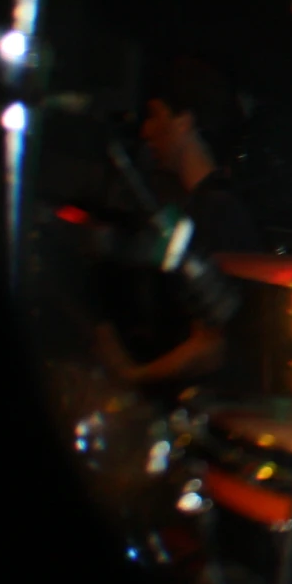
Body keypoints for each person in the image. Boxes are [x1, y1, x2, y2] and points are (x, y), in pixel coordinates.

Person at [91, 54, 262, 387]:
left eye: (156, 116)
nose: (146, 130)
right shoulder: (201, 206)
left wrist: (132, 375)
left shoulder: (219, 211)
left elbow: (213, 346)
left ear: (185, 121)